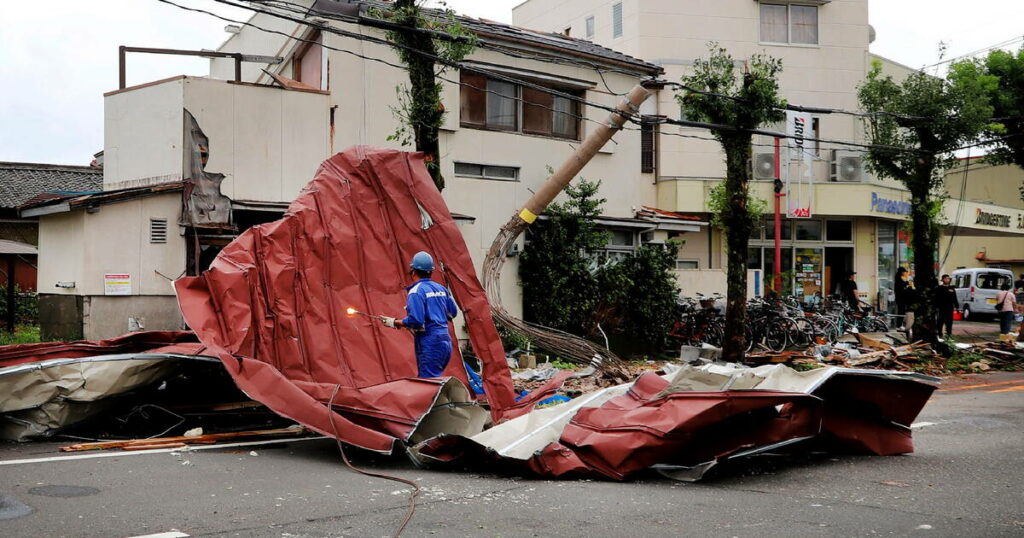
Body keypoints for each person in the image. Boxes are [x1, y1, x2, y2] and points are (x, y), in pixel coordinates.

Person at [381, 251, 458, 378]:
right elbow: (452, 313)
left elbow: (416, 321)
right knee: (436, 380)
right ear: (430, 271)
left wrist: (394, 322)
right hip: (445, 342)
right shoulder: (441, 288)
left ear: (413, 270)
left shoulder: (416, 291)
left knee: (429, 383)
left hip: (430, 343)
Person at [933, 274, 957, 338]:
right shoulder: (939, 288)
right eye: (946, 278)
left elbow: (954, 298)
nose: (947, 280)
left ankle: (949, 335)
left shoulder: (952, 288)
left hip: (949, 307)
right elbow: (936, 298)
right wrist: (936, 307)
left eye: (948, 279)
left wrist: (956, 306)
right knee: (940, 322)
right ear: (943, 279)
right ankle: (940, 334)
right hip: (941, 307)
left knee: (949, 322)